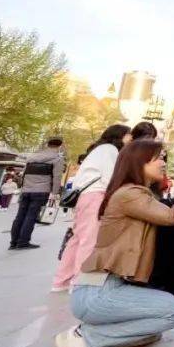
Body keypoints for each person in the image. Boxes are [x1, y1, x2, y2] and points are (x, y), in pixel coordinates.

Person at [55, 139, 174, 347]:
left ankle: (101, 334)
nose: (163, 163)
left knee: (156, 324)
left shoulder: (139, 195)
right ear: (139, 162)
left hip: (108, 288)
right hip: (98, 293)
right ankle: (85, 338)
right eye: (158, 158)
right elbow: (172, 216)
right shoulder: (128, 194)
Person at [51, 124, 132, 291]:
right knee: (89, 240)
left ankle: (62, 281)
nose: (130, 138)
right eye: (128, 134)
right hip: (96, 196)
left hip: (85, 197)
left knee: (77, 239)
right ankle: (80, 283)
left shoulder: (98, 149)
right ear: (120, 135)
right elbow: (110, 178)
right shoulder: (110, 150)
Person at [10, 137, 65, 250]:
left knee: (20, 215)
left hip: (26, 190)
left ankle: (13, 242)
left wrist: (23, 188)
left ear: (47, 144)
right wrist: (55, 193)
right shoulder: (57, 159)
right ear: (60, 146)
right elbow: (57, 177)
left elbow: (24, 174)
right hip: (41, 190)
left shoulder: (32, 157)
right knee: (31, 216)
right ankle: (23, 242)